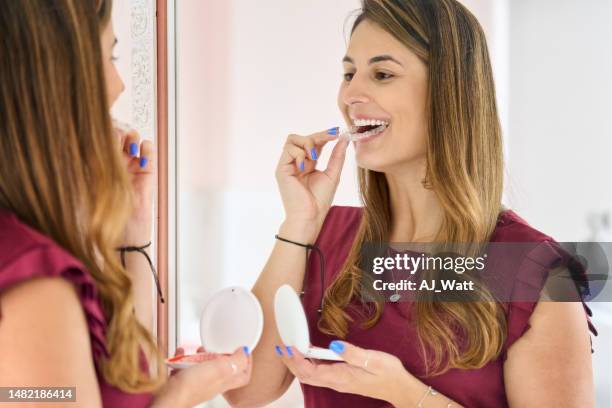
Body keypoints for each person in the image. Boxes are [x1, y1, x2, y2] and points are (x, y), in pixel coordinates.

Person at [225, 0, 597, 407]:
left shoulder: (531, 271)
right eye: (349, 73)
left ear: (448, 93)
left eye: (382, 74)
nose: (350, 94)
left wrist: (405, 394)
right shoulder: (326, 237)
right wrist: (299, 223)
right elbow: (245, 390)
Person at [0, 1, 251, 407]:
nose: (119, 84)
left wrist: (131, 235)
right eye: (110, 55)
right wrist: (183, 396)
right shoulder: (35, 290)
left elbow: (125, 381)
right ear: (52, 83)